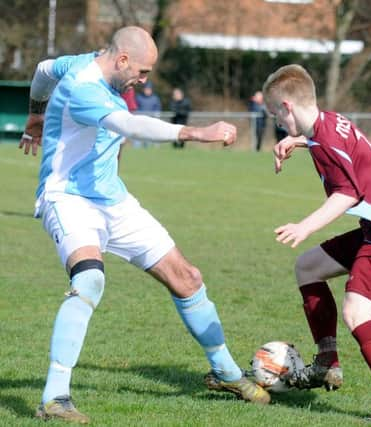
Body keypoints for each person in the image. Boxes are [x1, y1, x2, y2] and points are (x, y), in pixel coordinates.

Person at [19, 26, 270, 424]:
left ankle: (225, 373)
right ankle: (54, 398)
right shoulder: (84, 85)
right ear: (121, 60)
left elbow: (43, 68)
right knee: (90, 280)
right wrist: (194, 133)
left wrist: (35, 110)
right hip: (68, 197)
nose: (143, 79)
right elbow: (132, 126)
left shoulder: (84, 62)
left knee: (187, 278)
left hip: (112, 199)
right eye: (142, 71)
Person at [262, 64, 371, 423]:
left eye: (275, 117)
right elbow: (334, 144)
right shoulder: (325, 122)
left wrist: (305, 226)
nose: (276, 123)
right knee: (308, 267)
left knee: (356, 313)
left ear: (287, 106)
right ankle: (327, 363)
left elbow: (347, 194)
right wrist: (297, 140)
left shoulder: (324, 138)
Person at [134, 81, 162, 148]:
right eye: (146, 89)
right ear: (143, 89)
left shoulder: (155, 98)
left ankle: (147, 150)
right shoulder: (139, 97)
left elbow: (158, 108)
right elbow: (135, 108)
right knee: (138, 136)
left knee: (148, 137)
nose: (147, 91)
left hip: (151, 122)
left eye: (149, 89)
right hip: (140, 121)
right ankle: (136, 150)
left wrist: (156, 116)